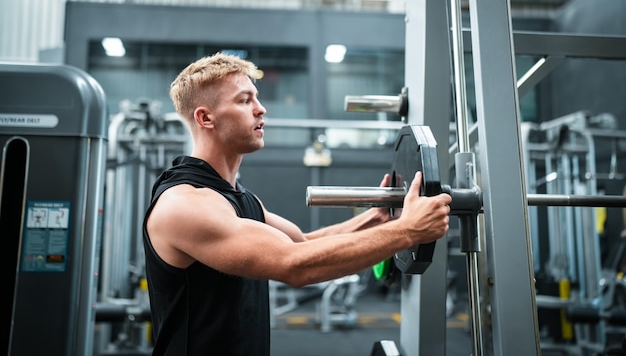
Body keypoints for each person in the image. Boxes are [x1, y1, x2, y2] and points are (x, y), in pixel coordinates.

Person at [142, 52, 452, 356]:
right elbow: (295, 264)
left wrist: (378, 219)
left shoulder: (237, 197)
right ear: (204, 117)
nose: (261, 109)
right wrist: (409, 231)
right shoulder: (185, 204)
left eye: (257, 98)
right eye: (244, 100)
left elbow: (301, 243)